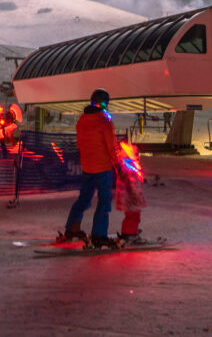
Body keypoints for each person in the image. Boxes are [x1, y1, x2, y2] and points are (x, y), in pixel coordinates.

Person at [60, 89, 121, 249]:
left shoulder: (82, 120)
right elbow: (111, 147)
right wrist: (118, 166)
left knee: (84, 199)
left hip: (87, 167)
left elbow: (80, 144)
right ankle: (99, 235)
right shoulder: (104, 121)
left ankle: (72, 229)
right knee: (104, 201)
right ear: (105, 102)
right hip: (102, 167)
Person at [115, 141, 148, 244]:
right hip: (131, 199)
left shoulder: (124, 166)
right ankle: (131, 235)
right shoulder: (131, 169)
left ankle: (126, 233)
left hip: (125, 198)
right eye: (136, 154)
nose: (138, 157)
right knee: (135, 217)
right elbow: (134, 186)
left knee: (128, 216)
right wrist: (138, 197)